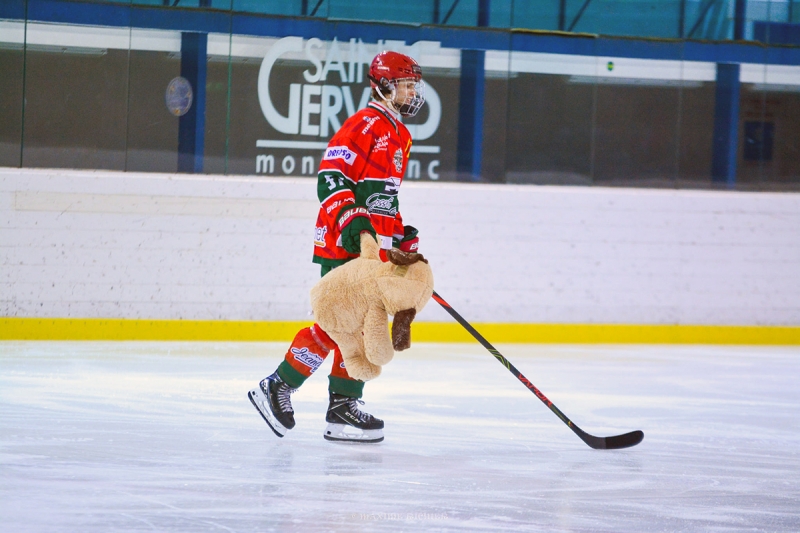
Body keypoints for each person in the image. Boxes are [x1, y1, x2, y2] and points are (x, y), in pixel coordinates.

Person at [249, 50, 425, 444]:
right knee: (338, 321)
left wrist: (398, 235)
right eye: (407, 85)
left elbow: (384, 198)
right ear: (385, 85)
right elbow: (330, 178)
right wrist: (352, 221)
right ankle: (278, 384)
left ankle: (342, 406)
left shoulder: (399, 133)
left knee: (361, 326)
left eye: (414, 86)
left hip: (371, 248)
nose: (413, 93)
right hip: (344, 241)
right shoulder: (364, 124)